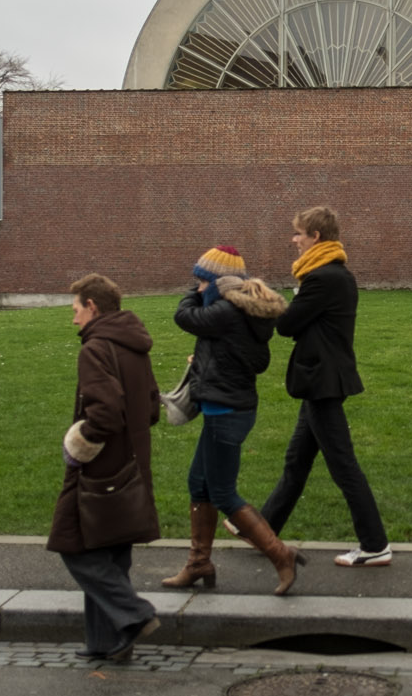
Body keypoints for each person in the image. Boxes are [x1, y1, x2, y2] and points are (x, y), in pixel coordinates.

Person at [248, 207, 392, 568]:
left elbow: (288, 325)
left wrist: (266, 300)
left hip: (322, 382)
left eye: (299, 234)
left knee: (343, 464)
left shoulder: (322, 278)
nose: (293, 240)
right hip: (322, 380)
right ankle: (262, 531)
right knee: (297, 462)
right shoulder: (334, 274)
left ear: (316, 237)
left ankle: (375, 545)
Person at [163, 245, 303, 594]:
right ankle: (199, 563)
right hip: (225, 408)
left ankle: (281, 555)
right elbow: (252, 360)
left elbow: (185, 317)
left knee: (223, 492)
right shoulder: (240, 310)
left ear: (216, 282)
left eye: (201, 281)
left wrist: (193, 292)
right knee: (199, 484)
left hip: (227, 413)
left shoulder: (226, 309)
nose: (196, 288)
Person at [49, 273, 163, 662]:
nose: (74, 319)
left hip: (99, 470)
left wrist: (78, 446)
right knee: (112, 552)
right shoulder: (135, 345)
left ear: (92, 306)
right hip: (132, 466)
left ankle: (134, 614)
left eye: (76, 310)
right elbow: (150, 408)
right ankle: (108, 643)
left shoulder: (95, 349)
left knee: (75, 546)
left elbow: (104, 414)